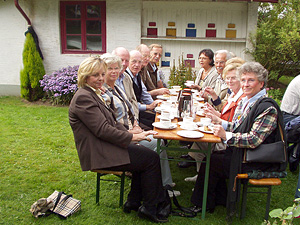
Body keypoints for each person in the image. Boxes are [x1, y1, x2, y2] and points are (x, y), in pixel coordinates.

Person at [69, 56, 168, 223]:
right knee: (151, 159)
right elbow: (103, 130)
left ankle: (134, 202)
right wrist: (133, 136)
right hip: (100, 152)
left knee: (144, 155)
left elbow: (113, 123)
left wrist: (137, 134)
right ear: (85, 76)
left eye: (102, 74)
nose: (101, 78)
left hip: (107, 145)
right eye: (95, 75)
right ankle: (150, 208)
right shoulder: (83, 97)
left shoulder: (93, 93)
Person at [189, 62, 285, 214]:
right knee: (214, 157)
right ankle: (218, 199)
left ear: (261, 84)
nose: (245, 84)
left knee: (214, 161)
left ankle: (201, 204)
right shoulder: (247, 100)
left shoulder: (267, 108)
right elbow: (238, 126)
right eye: (244, 80)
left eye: (251, 80)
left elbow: (254, 140)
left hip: (258, 160)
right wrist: (222, 124)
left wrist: (225, 135)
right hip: (244, 154)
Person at [100, 53, 179, 196]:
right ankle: (162, 187)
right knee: (156, 144)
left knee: (158, 140)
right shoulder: (103, 92)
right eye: (109, 69)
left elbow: (130, 107)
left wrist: (136, 123)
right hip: (120, 138)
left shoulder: (117, 88)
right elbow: (109, 123)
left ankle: (162, 184)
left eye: (116, 68)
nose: (114, 71)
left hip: (130, 129)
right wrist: (132, 131)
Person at [183, 59, 246, 182]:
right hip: (225, 131)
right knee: (198, 142)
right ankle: (201, 176)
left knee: (200, 141)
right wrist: (214, 114)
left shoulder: (241, 98)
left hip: (229, 140)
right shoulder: (233, 94)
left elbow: (234, 123)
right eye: (227, 78)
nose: (229, 81)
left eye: (233, 78)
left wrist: (217, 117)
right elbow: (225, 114)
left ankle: (204, 179)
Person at [124, 50, 161, 129]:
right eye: (134, 61)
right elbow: (128, 103)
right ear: (128, 62)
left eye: (139, 62)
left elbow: (145, 94)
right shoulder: (125, 77)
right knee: (156, 126)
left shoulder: (137, 75)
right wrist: (148, 107)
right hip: (130, 116)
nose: (137, 65)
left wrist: (155, 106)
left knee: (160, 119)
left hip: (138, 112)